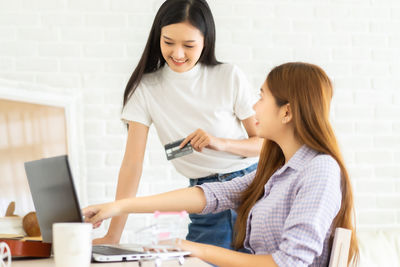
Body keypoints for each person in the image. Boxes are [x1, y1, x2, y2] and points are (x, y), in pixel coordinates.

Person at [84, 62, 360, 266]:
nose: (255, 107)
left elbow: (289, 262)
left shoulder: (319, 171)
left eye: (262, 96)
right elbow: (212, 195)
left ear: (286, 111)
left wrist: (195, 249)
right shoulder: (276, 170)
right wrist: (118, 206)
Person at [95, 0, 263, 251]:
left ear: (206, 41)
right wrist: (113, 235)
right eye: (168, 42)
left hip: (253, 188)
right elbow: (132, 165)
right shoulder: (146, 89)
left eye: (189, 45)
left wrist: (219, 143)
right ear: (157, 38)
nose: (178, 54)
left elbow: (264, 143)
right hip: (204, 196)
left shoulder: (228, 76)